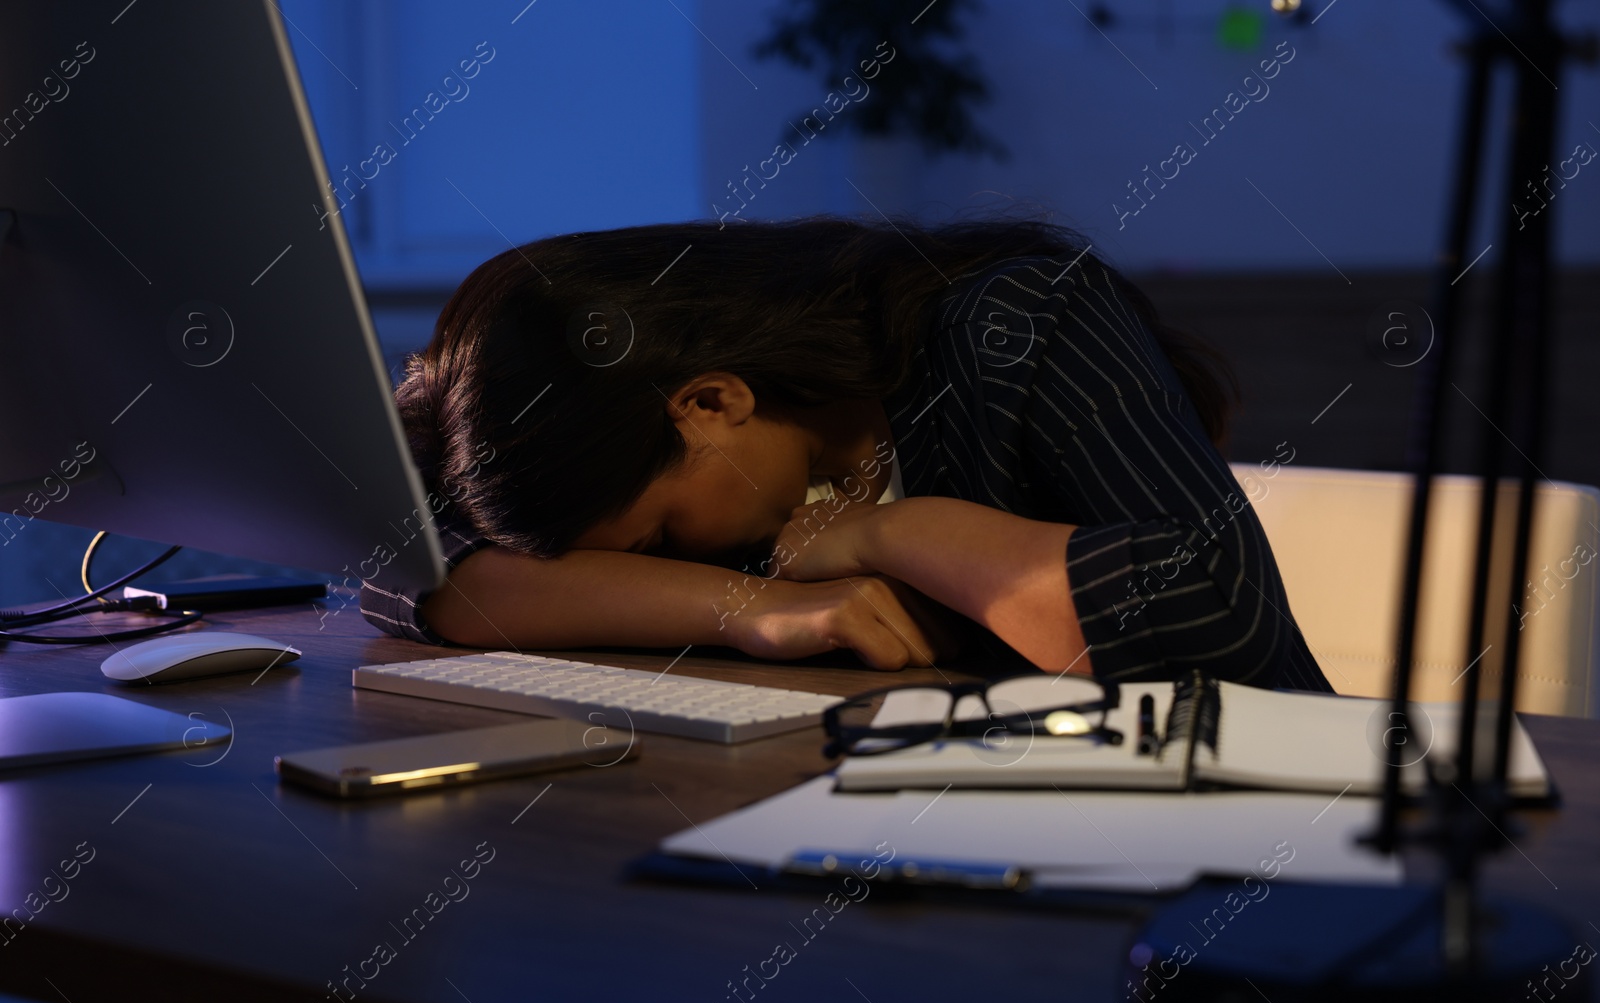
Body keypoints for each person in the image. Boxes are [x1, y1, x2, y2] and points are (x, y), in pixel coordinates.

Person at [359, 214, 1333, 692]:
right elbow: (406, 568)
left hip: (1262, 862)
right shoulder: (717, 477)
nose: (649, 561)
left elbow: (1216, 627)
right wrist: (756, 610)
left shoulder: (1019, 323)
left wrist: (888, 531)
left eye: (658, 528)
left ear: (710, 401)